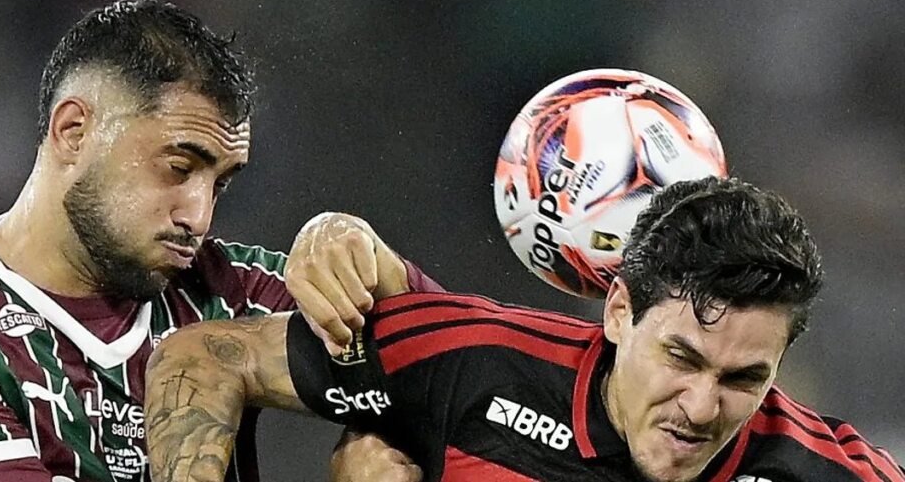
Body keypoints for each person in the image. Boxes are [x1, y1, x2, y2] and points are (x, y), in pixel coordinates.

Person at [0, 0, 433, 482]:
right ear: (73, 131)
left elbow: (459, 367)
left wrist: (367, 256)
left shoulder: (230, 290)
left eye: (220, 183)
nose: (200, 216)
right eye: (178, 167)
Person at [146, 177, 905, 482]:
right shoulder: (474, 365)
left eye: (744, 378)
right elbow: (202, 357)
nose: (702, 406)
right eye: (681, 356)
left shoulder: (827, 471)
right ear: (617, 313)